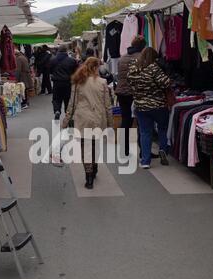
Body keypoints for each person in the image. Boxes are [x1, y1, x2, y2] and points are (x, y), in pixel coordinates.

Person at [62, 57, 113, 189]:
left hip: (83, 119)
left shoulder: (78, 82)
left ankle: (88, 177)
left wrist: (65, 121)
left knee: (85, 147)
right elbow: (108, 105)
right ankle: (94, 166)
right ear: (96, 68)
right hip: (97, 118)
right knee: (95, 144)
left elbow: (71, 104)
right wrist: (110, 124)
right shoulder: (102, 82)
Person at [127, 47, 171, 169]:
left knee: (145, 132)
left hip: (140, 106)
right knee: (162, 128)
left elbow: (129, 83)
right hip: (158, 105)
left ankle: (145, 161)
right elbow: (165, 83)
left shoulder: (133, 69)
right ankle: (163, 149)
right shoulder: (153, 68)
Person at [115, 36, 146, 157]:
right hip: (135, 92)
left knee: (126, 120)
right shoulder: (141, 58)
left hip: (122, 92)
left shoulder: (122, 57)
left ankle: (124, 149)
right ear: (142, 46)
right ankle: (143, 151)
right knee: (141, 121)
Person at [50, 45, 78, 120]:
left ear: (58, 50)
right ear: (66, 51)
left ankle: (57, 110)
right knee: (68, 99)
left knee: (56, 99)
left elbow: (50, 70)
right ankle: (68, 114)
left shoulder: (53, 60)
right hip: (68, 83)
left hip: (56, 82)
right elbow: (76, 72)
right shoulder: (72, 60)